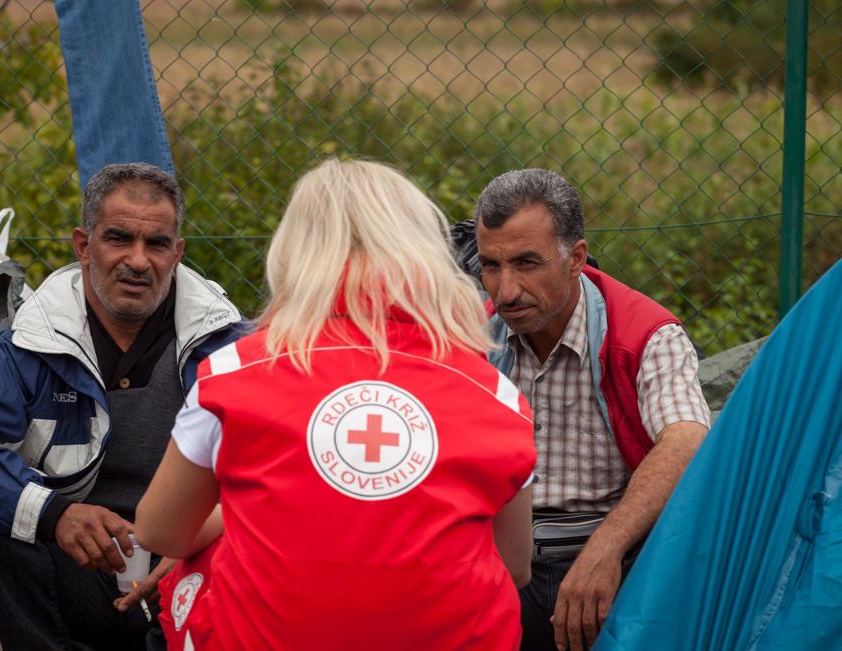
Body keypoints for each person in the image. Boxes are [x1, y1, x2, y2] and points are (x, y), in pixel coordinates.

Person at [135, 158, 538, 650]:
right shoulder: (494, 393)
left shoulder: (233, 373)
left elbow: (160, 532)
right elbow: (514, 566)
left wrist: (234, 511)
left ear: (296, 252)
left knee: (194, 570)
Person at [0, 162, 247, 651]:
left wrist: (200, 541)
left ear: (176, 254)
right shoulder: (35, 340)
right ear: (83, 246)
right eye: (118, 239)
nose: (138, 260)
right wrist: (55, 514)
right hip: (79, 569)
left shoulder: (224, 345)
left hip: (189, 569)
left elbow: (279, 471)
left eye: (156, 244)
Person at [474, 169, 711, 651]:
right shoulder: (471, 338)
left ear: (576, 258)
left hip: (614, 555)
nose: (506, 291)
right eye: (491, 265)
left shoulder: (644, 334)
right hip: (499, 556)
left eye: (526, 263)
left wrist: (607, 546)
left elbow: (687, 440)